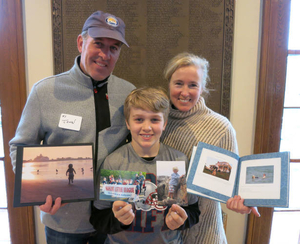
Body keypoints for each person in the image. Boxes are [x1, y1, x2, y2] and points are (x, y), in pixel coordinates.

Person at [9, 10, 135, 244]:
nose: (105, 54)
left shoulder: (129, 94)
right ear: (81, 42)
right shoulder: (44, 91)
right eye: (98, 44)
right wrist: (37, 190)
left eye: (114, 48)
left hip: (111, 219)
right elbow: (20, 147)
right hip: (62, 223)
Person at [160, 52, 260, 244]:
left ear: (202, 87)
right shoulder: (157, 123)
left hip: (205, 234)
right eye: (178, 83)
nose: (185, 92)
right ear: (169, 83)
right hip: (163, 236)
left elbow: (233, 185)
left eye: (193, 85)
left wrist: (243, 202)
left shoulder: (221, 127)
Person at [90, 87, 200, 243]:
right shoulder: (114, 163)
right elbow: (98, 217)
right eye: (139, 119)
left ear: (164, 123)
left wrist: (180, 221)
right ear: (128, 123)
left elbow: (193, 211)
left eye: (154, 119)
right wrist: (118, 220)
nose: (147, 127)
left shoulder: (177, 161)